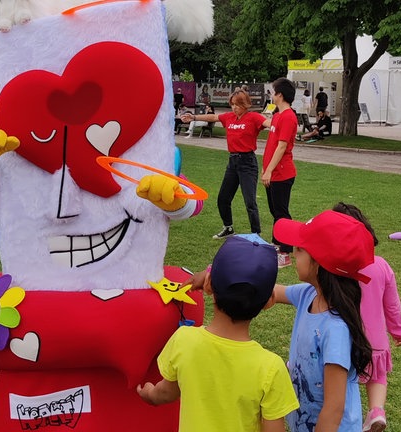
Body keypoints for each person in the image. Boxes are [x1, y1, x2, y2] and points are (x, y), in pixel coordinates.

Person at [137, 236, 299, 432]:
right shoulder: (271, 368)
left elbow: (166, 393)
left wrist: (150, 394)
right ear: (270, 301)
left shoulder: (184, 340)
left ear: (208, 285)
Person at [271, 210, 375, 432]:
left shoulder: (335, 329)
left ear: (319, 263)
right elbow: (272, 293)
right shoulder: (308, 294)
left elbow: (333, 410)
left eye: (299, 249)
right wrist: (220, 276)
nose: (293, 253)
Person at [332, 202, 401, 432]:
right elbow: (392, 306)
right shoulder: (381, 265)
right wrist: (398, 331)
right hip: (375, 341)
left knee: (343, 379)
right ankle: (376, 410)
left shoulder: (334, 267)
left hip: (344, 340)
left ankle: (346, 415)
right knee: (378, 377)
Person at [181, 89, 269, 239]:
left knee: (250, 201)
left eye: (238, 105)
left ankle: (256, 234)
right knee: (223, 198)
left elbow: (268, 123)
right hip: (232, 162)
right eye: (232, 104)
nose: (234, 108)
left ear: (245, 104)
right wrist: (194, 117)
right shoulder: (229, 117)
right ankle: (228, 228)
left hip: (247, 162)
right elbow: (214, 117)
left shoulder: (253, 117)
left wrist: (279, 123)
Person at [261, 77, 298, 268]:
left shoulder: (289, 117)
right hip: (272, 173)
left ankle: (285, 252)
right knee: (275, 211)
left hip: (282, 174)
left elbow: (282, 147)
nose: (271, 95)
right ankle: (277, 246)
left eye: (273, 92)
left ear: (280, 95)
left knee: (281, 213)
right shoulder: (276, 116)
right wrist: (265, 169)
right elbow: (271, 145)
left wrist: (269, 170)